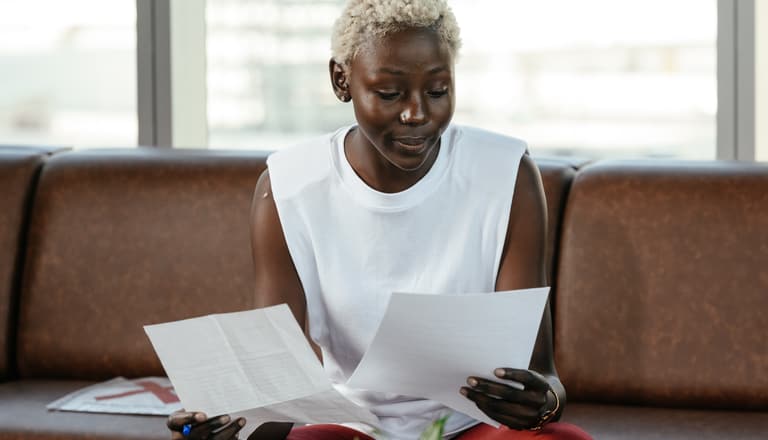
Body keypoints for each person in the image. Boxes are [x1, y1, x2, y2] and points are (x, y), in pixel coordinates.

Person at [168, 1, 591, 439]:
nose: (417, 114)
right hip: (353, 429)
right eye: (390, 93)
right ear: (341, 80)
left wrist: (542, 403)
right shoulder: (288, 188)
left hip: (471, 428)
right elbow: (276, 385)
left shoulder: (506, 175)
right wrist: (227, 429)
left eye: (438, 90)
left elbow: (544, 375)